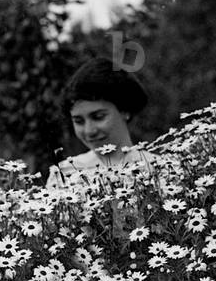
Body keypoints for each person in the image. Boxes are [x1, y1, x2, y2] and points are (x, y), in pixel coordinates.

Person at [46, 57, 154, 188]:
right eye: (79, 121)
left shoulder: (161, 169)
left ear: (125, 111)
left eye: (98, 117)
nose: (89, 131)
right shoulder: (63, 175)